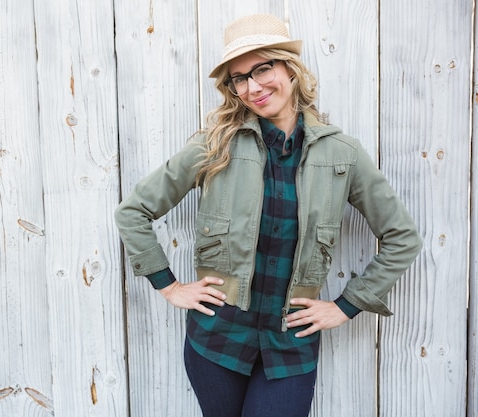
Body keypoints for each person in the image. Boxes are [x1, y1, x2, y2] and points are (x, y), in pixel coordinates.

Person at [115, 13, 422, 417]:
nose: (252, 87)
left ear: (289, 68)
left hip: (290, 345)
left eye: (263, 68)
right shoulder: (214, 145)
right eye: (239, 78)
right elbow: (133, 211)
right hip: (216, 341)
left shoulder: (342, 155)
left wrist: (347, 305)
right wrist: (169, 286)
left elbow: (402, 237)